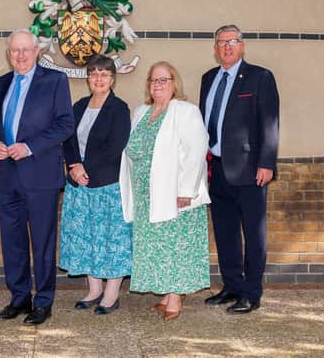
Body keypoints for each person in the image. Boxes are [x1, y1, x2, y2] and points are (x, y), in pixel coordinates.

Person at [0, 29, 74, 325]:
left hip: (41, 175)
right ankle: (19, 297)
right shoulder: (0, 84)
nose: (19, 56)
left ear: (36, 51)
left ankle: (44, 300)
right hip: (8, 175)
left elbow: (65, 124)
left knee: (42, 241)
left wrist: (30, 147)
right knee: (12, 241)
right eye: (14, 51)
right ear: (8, 54)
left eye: (25, 50)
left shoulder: (54, 81)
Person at [119, 61, 211, 321]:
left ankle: (175, 297)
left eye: (164, 79)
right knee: (157, 246)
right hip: (146, 194)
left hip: (175, 193)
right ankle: (168, 292)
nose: (158, 84)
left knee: (175, 245)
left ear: (174, 83)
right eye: (153, 80)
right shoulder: (140, 112)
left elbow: (196, 151)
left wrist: (186, 190)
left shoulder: (185, 111)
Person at [199, 24, 279, 314]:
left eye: (232, 41)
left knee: (253, 235)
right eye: (221, 42)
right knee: (226, 232)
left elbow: (269, 123)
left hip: (250, 171)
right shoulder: (208, 78)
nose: (227, 47)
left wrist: (266, 163)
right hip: (217, 169)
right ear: (215, 48)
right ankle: (231, 286)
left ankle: (251, 293)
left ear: (242, 45)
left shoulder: (259, 77)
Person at [59, 55, 132, 315]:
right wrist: (73, 166)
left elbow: (116, 146)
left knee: (110, 240)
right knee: (87, 238)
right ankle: (94, 289)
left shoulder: (119, 108)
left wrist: (85, 168)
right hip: (79, 186)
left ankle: (111, 294)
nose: (98, 79)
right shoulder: (78, 106)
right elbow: (66, 139)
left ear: (112, 78)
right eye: (93, 73)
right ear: (87, 78)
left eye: (104, 74)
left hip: (106, 187)